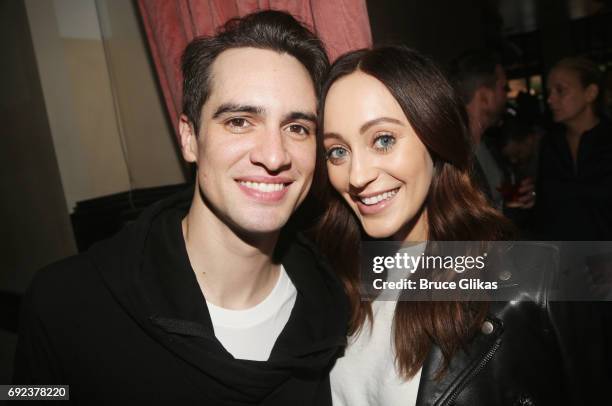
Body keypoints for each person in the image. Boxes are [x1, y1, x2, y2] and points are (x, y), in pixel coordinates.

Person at [13, 10, 348, 404]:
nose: (274, 156)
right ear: (189, 138)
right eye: (240, 121)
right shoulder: (64, 301)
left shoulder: (338, 301)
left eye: (297, 128)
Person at [315, 45, 607, 405]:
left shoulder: (536, 281)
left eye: (384, 140)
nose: (356, 175)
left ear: (434, 135)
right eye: (337, 151)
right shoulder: (332, 274)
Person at [537, 56, 612, 240]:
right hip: (564, 260)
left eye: (560, 91)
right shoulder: (550, 144)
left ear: (590, 93)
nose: (550, 99)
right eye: (549, 91)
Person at [449, 50, 535, 211]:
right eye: (504, 88)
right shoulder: (449, 158)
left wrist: (519, 200)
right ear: (484, 97)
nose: (507, 96)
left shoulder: (489, 145)